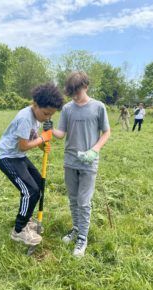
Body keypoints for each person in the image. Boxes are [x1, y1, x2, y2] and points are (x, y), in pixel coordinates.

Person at [0, 83, 64, 246]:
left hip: (18, 156)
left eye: (51, 115)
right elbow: (23, 145)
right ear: (35, 104)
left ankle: (27, 218)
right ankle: (18, 230)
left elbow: (33, 139)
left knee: (38, 184)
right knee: (30, 191)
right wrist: (42, 139)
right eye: (46, 113)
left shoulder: (37, 117)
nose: (47, 118)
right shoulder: (25, 117)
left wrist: (42, 144)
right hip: (7, 157)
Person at [51, 71, 110, 257]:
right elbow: (61, 133)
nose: (75, 96)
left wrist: (95, 150)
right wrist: (49, 128)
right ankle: (76, 228)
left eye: (78, 91)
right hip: (70, 161)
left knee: (84, 202)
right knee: (73, 199)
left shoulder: (98, 107)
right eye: (72, 93)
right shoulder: (68, 109)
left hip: (89, 162)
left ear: (86, 86)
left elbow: (106, 132)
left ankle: (82, 238)